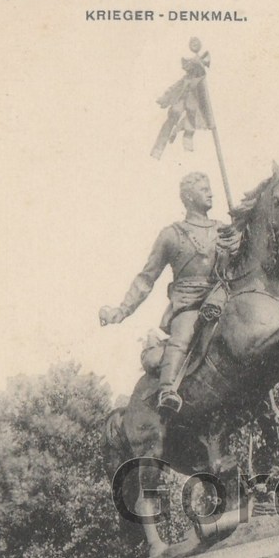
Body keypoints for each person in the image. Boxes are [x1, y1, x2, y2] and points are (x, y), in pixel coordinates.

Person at [100, 173, 235, 412]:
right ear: (189, 197)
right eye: (204, 189)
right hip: (190, 303)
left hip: (221, 297)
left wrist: (239, 242)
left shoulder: (223, 230)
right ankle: (167, 391)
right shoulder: (171, 235)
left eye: (210, 188)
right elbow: (146, 278)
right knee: (182, 337)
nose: (211, 193)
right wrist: (121, 311)